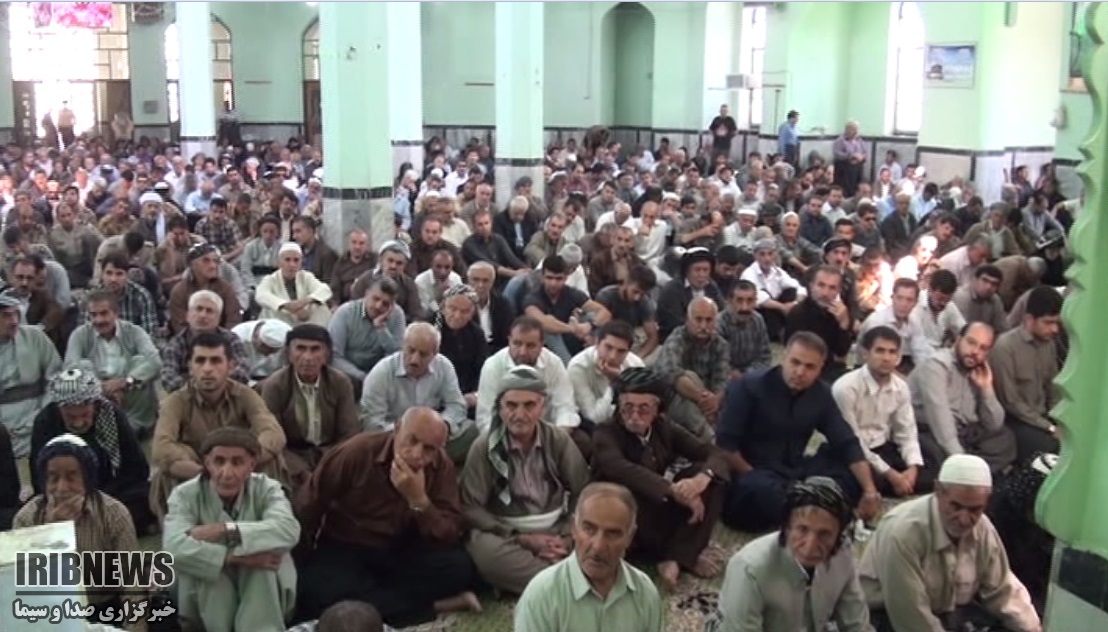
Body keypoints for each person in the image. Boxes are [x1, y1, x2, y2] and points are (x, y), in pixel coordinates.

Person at [295, 407, 480, 627]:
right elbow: (310, 502)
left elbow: (448, 533)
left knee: (458, 568)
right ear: (397, 429)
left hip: (403, 549)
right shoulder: (357, 451)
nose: (417, 454)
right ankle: (433, 607)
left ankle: (380, 602)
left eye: (429, 449)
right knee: (317, 591)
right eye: (412, 441)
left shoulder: (440, 466)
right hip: (348, 547)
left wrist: (419, 500)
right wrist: (303, 556)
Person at [716, 332, 881, 532]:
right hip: (751, 472)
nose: (800, 372)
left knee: (856, 470)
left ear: (820, 368)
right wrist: (753, 473)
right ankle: (816, 513)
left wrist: (869, 491)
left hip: (795, 471)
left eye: (810, 367)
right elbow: (725, 446)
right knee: (762, 490)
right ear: (784, 357)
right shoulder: (749, 386)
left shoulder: (821, 394)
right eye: (795, 362)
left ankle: (810, 508)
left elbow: (846, 441)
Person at [860, 454, 1042, 632]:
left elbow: (1002, 589)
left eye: (975, 510)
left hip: (949, 610)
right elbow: (910, 615)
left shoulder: (983, 528)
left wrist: (1032, 627)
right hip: (891, 614)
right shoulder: (903, 532)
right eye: (956, 507)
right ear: (938, 491)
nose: (964, 519)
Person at [592, 367, 729, 591]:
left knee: (710, 477)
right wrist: (673, 490)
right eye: (627, 408)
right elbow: (621, 469)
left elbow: (715, 454)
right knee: (629, 494)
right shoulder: (605, 432)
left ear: (657, 409)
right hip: (624, 515)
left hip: (656, 505)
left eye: (643, 409)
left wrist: (700, 480)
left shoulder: (664, 427)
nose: (634, 416)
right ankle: (680, 552)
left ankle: (676, 557)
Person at [459, 366, 590, 595]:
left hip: (556, 529)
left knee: (597, 536)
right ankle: (565, 579)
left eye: (529, 405)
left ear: (542, 407)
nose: (520, 414)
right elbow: (471, 507)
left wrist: (568, 536)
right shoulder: (484, 447)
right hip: (507, 533)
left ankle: (539, 580)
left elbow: (583, 491)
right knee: (486, 552)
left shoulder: (557, 440)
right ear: (500, 408)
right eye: (511, 405)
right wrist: (522, 539)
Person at [164, 427, 300, 632]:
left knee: (264, 565)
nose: (227, 473)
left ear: (251, 465)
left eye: (237, 462)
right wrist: (234, 558)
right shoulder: (185, 495)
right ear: (207, 463)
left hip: (262, 580)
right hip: (205, 596)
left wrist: (226, 530)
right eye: (219, 462)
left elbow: (288, 530)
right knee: (209, 571)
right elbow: (173, 548)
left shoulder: (268, 488)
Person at [151, 332, 287, 519]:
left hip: (239, 470)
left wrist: (242, 463)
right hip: (197, 473)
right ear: (190, 367)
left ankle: (271, 517)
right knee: (169, 466)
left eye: (216, 361)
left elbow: (273, 433)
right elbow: (161, 447)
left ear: (230, 366)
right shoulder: (176, 401)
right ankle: (181, 523)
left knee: (272, 456)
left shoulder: (245, 395)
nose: (207, 369)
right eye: (200, 361)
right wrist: (209, 472)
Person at [707, 477, 872, 632]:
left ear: (838, 536)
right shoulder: (749, 568)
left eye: (824, 534)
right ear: (786, 527)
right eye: (802, 530)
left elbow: (857, 624)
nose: (810, 546)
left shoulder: (842, 554)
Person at [14, 434, 143, 626]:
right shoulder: (26, 519)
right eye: (53, 478)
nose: (61, 488)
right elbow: (28, 588)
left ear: (87, 479)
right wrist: (52, 531)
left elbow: (132, 585)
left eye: (71, 477)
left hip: (106, 609)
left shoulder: (114, 514)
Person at [513, 482, 664, 632]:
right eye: (589, 529)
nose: (598, 546)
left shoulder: (645, 595)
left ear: (629, 537)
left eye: (612, 534)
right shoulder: (541, 596)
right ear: (574, 528)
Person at [31, 366, 152, 532]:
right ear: (60, 409)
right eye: (71, 417)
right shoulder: (45, 422)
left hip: (110, 495)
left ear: (94, 405)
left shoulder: (111, 415)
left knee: (148, 495)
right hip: (64, 497)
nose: (79, 423)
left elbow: (138, 470)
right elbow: (39, 478)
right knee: (32, 513)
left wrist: (95, 500)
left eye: (84, 415)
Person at [833, 326, 933, 498]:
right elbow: (853, 441)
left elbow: (906, 433)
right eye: (880, 351)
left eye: (892, 352)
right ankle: (890, 484)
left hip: (884, 448)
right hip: (852, 454)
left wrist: (913, 468)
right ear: (865, 354)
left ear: (898, 357)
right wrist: (891, 474)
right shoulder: (845, 388)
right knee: (858, 480)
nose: (886, 358)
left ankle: (901, 483)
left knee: (931, 468)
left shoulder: (900, 387)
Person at [910, 322, 1018, 474]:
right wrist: (961, 461)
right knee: (937, 454)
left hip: (964, 430)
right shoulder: (936, 366)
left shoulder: (977, 369)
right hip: (930, 430)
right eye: (971, 343)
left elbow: (994, 425)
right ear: (958, 340)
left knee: (1006, 438)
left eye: (983, 348)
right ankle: (971, 471)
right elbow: (942, 424)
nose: (975, 352)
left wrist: (986, 388)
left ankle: (973, 470)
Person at [260, 324, 358, 492]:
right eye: (300, 349)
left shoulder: (340, 383)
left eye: (315, 349)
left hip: (330, 454)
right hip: (291, 456)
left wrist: (329, 466)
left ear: (326, 355)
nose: (307, 357)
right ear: (289, 354)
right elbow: (274, 440)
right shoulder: (274, 386)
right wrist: (301, 471)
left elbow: (349, 434)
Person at [359, 322, 474, 463]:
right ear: (403, 346)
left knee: (474, 431)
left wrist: (444, 425)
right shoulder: (381, 372)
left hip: (433, 437)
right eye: (411, 350)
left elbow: (456, 405)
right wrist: (408, 434)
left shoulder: (444, 367)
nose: (415, 360)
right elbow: (372, 423)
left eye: (423, 354)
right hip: (395, 440)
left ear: (435, 354)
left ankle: (433, 459)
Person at [990, 286, 1063, 461]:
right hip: (1016, 421)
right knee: (1051, 449)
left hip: (1042, 417)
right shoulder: (1005, 348)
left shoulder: (1048, 344)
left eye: (1057, 323)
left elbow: (1053, 387)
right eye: (1048, 322)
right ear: (1029, 319)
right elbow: (1011, 402)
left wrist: (1061, 420)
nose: (1055, 329)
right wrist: (1049, 427)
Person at [476, 316, 581, 432]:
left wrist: (557, 438)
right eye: (517, 344)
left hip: (548, 433)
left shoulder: (554, 363)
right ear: (509, 340)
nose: (523, 352)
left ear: (542, 345)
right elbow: (485, 418)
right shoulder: (492, 366)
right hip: (505, 435)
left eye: (530, 345)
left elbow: (565, 407)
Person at [654, 296, 731, 441]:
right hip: (674, 399)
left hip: (708, 404)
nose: (703, 326)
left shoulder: (721, 345)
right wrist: (701, 398)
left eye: (709, 320)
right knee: (689, 377)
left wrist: (714, 401)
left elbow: (721, 382)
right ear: (688, 320)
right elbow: (671, 373)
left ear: (715, 322)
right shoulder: (677, 337)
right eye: (698, 319)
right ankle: (710, 439)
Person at [0, 289, 61, 457]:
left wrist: (41, 416)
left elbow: (55, 379)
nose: (13, 321)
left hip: (36, 413)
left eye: (16, 314)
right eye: (6, 316)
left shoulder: (35, 337)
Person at [161, 290, 252, 393]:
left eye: (209, 311)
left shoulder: (231, 339)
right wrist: (204, 388)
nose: (203, 315)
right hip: (188, 399)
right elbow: (168, 379)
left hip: (227, 396)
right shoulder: (175, 344)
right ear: (188, 316)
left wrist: (213, 387)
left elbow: (243, 370)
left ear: (218, 319)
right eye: (198, 309)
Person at [327, 277, 405, 394]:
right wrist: (364, 377)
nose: (378, 306)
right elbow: (334, 356)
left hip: (381, 374)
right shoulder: (345, 312)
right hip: (349, 373)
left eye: (385, 304)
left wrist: (381, 329)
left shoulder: (397, 315)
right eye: (376, 299)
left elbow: (397, 355)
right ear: (366, 293)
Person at [566, 320, 644, 427]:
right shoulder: (578, 367)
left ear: (628, 352)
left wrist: (622, 379)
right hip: (593, 426)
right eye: (608, 347)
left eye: (621, 351)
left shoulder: (635, 364)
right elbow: (595, 418)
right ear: (597, 343)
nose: (613, 356)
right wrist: (614, 382)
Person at [784, 264, 853, 381]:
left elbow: (841, 353)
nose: (825, 293)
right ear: (811, 286)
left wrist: (844, 324)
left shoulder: (839, 312)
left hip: (831, 369)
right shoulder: (798, 313)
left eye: (832, 288)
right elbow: (793, 355)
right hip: (805, 371)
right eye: (821, 285)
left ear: (838, 291)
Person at [256, 242, 333, 327]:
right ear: (279, 262)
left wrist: (303, 303)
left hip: (304, 320)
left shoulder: (306, 276)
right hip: (279, 322)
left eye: (296, 260)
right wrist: (286, 305)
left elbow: (325, 290)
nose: (292, 264)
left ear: (301, 262)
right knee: (268, 307)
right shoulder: (271, 279)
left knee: (321, 306)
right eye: (287, 260)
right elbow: (261, 295)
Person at [716, 279, 772, 380]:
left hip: (752, 376)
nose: (744, 307)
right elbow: (717, 361)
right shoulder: (720, 323)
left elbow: (765, 356)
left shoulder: (758, 320)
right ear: (730, 301)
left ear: (755, 301)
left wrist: (748, 375)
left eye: (750, 301)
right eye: (739, 300)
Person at [232, 319, 292, 384]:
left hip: (274, 379)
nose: (268, 355)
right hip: (244, 377)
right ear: (256, 338)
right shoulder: (238, 335)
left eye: (273, 351)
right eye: (267, 350)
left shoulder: (289, 338)